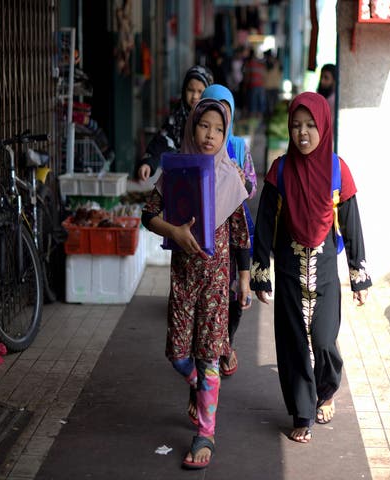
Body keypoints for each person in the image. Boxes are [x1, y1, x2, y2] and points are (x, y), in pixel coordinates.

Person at [250, 92, 371, 444]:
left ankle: (327, 387)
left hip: (325, 271)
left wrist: (359, 277)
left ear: (324, 126)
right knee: (291, 345)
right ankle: (302, 412)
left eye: (310, 125)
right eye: (296, 126)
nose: (303, 133)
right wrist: (261, 272)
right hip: (288, 268)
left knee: (323, 340)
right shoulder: (281, 170)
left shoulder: (337, 169)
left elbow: (351, 223)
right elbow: (265, 224)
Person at [141, 98, 251, 469]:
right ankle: (200, 387)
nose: (211, 135)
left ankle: (206, 431)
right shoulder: (176, 170)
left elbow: (240, 235)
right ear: (192, 127)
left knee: (208, 359)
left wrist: (245, 280)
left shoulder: (232, 176)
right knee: (177, 355)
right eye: (204, 126)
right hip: (184, 279)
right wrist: (172, 230)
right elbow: (148, 214)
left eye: (219, 129)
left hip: (217, 283)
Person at [201, 84, 258, 377]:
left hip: (234, 234)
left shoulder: (237, 146)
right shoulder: (194, 149)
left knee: (235, 295)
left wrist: (238, 180)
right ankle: (212, 353)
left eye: (224, 113)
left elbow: (251, 189)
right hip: (204, 232)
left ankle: (228, 342)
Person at [136, 65, 214, 181]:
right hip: (180, 177)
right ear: (184, 90)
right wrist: (148, 163)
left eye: (200, 91)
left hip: (208, 178)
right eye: (190, 90)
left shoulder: (214, 118)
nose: (195, 96)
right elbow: (163, 140)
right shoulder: (177, 117)